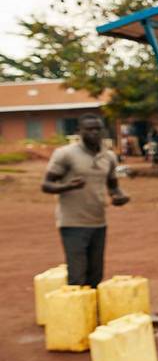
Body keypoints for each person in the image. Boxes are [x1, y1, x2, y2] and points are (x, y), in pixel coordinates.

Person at [41, 114, 130, 287]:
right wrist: (68, 186)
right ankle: (74, 313)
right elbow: (46, 185)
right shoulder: (65, 154)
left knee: (96, 275)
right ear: (79, 131)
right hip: (72, 223)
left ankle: (93, 313)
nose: (94, 133)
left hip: (98, 222)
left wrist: (120, 197)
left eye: (98, 129)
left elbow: (113, 186)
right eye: (89, 129)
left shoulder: (109, 157)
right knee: (77, 275)